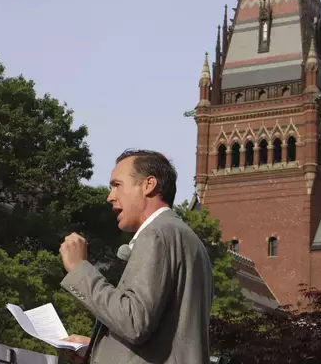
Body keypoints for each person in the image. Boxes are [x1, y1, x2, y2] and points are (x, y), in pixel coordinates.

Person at [59, 149, 214, 363]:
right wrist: (96, 349)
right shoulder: (187, 239)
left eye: (117, 185)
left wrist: (79, 269)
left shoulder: (156, 234)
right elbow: (164, 336)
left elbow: (134, 322)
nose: (110, 197)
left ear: (148, 185)